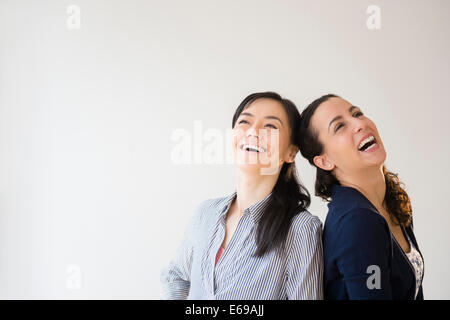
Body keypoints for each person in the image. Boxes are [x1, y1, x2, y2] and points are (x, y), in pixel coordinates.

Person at [161, 92, 323, 299]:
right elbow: (176, 276)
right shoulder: (205, 213)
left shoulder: (301, 229)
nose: (253, 131)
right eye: (245, 122)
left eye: (270, 126)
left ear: (291, 153)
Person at [298, 94, 424, 300]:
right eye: (339, 126)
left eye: (357, 113)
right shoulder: (358, 221)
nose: (359, 124)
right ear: (324, 161)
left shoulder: (391, 200)